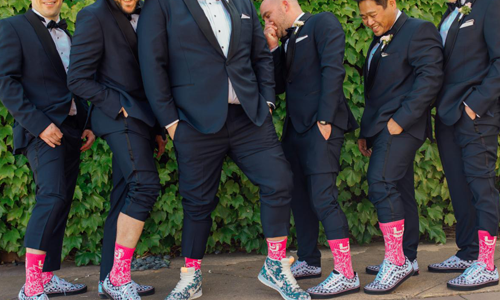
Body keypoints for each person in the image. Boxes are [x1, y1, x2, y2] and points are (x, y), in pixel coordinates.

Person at [137, 0, 310, 299]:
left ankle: (275, 264)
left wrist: (267, 101)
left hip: (249, 118)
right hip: (193, 121)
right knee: (197, 202)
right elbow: (152, 64)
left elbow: (259, 55)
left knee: (279, 180)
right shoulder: (162, 5)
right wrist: (171, 122)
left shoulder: (241, 2)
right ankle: (191, 276)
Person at [260, 0, 360, 298]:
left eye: (268, 15)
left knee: (323, 196)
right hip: (294, 130)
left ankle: (346, 273)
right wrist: (274, 48)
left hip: (320, 125)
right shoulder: (286, 39)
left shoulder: (323, 22)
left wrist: (326, 119)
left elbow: (333, 69)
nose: (267, 20)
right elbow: (277, 85)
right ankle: (308, 260)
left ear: (285, 5)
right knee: (298, 196)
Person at [67, 0, 166, 298]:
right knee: (144, 185)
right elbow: (78, 78)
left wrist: (158, 128)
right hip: (119, 118)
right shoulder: (93, 15)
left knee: (124, 194)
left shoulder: (150, 13)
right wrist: (118, 107)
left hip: (145, 120)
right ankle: (118, 279)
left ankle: (108, 278)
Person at [0, 0, 95, 299]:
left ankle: (47, 277)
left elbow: (77, 83)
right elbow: (6, 83)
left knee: (62, 200)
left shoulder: (70, 34)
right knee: (51, 196)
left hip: (72, 129)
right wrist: (40, 125)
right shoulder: (13, 27)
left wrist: (87, 122)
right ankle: (31, 286)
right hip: (41, 130)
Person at [355, 0, 443, 294]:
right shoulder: (379, 39)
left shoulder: (419, 30)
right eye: (363, 17)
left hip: (403, 126)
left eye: (372, 14)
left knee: (380, 182)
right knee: (400, 188)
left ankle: (396, 261)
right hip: (381, 128)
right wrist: (367, 133)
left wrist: (399, 121)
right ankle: (408, 258)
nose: (367, 21)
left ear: (390, 3)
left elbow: (430, 78)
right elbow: (376, 92)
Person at [430, 0, 500, 290]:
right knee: (458, 188)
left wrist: (475, 104)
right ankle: (468, 252)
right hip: (447, 116)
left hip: (476, 115)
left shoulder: (489, 6)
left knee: (481, 187)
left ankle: (486, 264)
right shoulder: (448, 15)